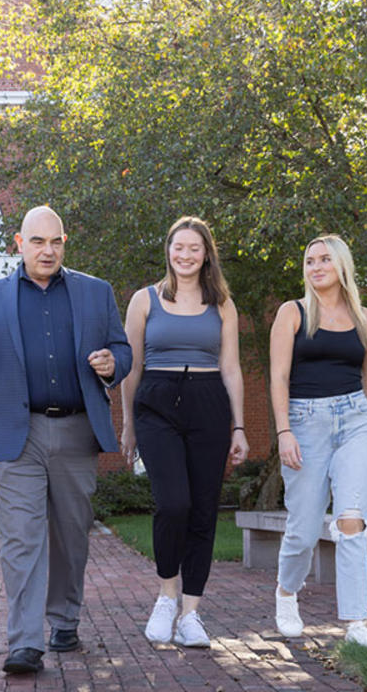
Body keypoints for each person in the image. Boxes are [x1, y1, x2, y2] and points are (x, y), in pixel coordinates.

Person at [0, 206, 131, 674]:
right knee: (22, 537)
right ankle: (25, 643)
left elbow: (123, 349)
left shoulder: (96, 292)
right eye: (37, 242)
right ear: (19, 242)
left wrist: (113, 363)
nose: (47, 250)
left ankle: (64, 619)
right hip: (15, 432)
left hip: (76, 429)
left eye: (55, 242)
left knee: (71, 534)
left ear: (64, 243)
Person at [119, 217, 250, 647]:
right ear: (168, 250)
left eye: (195, 248)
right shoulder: (144, 300)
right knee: (173, 503)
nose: (186, 255)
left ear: (206, 253)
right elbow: (131, 368)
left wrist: (239, 426)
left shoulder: (223, 305)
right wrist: (128, 424)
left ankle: (191, 613)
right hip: (157, 402)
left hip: (209, 401)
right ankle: (165, 594)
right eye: (179, 246)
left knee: (203, 511)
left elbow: (231, 368)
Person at [269, 234, 367, 649]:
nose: (316, 266)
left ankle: (357, 621)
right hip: (305, 423)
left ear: (342, 266)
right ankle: (287, 594)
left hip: (356, 420)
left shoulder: (366, 319)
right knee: (303, 530)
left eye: (324, 259)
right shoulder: (293, 313)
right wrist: (284, 430)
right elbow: (278, 379)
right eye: (309, 260)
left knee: (351, 520)